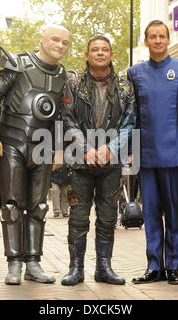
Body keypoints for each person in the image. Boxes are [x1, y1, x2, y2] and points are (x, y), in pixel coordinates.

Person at [0, 25, 71, 285]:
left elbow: (60, 116)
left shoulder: (64, 76)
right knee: (11, 205)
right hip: (11, 143)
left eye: (65, 42)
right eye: (55, 39)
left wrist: (59, 148)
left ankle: (33, 262)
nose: (60, 45)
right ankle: (14, 264)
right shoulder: (17, 64)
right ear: (42, 40)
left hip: (43, 148)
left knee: (39, 206)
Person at [127, 20, 178, 285]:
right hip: (145, 154)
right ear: (146, 41)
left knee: (173, 212)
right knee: (150, 214)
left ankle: (173, 266)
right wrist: (130, 149)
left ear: (168, 39)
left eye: (161, 36)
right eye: (152, 37)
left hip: (174, 152)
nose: (157, 40)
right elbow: (130, 116)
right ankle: (154, 267)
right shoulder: (134, 73)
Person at [60, 35, 136, 286]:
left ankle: (104, 267)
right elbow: (67, 119)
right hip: (80, 165)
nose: (100, 53)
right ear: (87, 54)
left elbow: (129, 123)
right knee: (78, 216)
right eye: (95, 49)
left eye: (105, 50)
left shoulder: (125, 87)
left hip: (110, 164)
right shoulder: (72, 84)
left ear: (111, 54)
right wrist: (85, 149)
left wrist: (110, 149)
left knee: (107, 216)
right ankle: (76, 268)